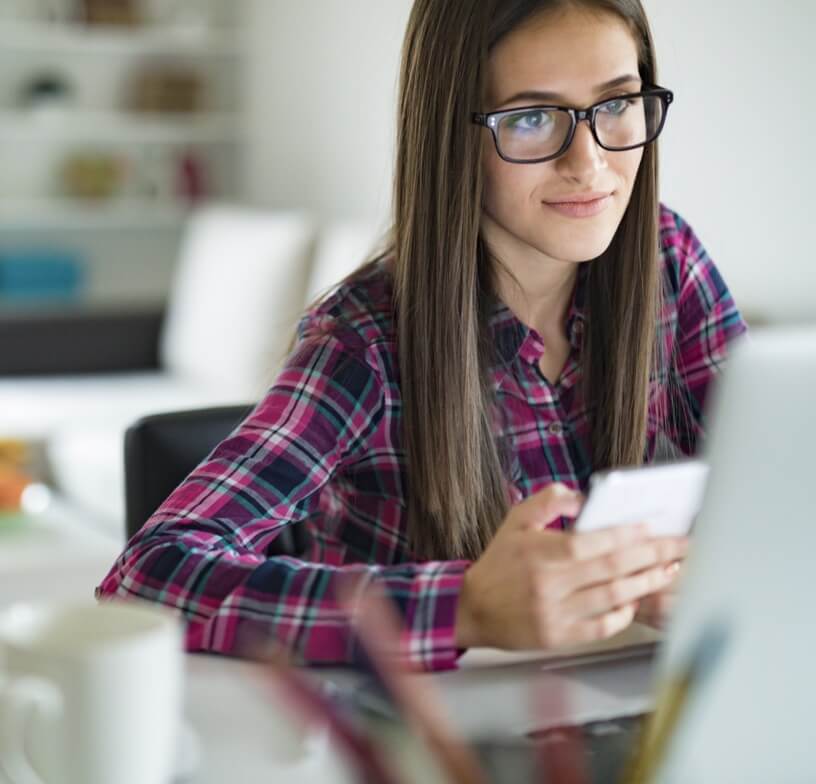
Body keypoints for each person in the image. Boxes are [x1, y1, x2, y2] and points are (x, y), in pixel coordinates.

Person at [97, 0, 747, 670]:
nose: (590, 163)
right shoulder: (363, 345)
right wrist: (465, 606)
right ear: (453, 135)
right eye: (530, 118)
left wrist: (718, 567)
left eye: (616, 105)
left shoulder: (669, 260)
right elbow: (146, 579)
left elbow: (775, 481)